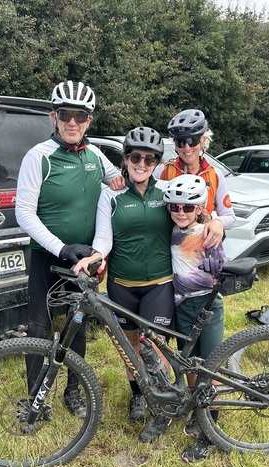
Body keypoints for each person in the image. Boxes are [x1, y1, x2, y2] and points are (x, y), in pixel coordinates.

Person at [15, 80, 123, 418]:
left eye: (80, 116)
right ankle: (35, 398)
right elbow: (24, 213)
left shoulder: (95, 155)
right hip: (48, 257)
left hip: (84, 260)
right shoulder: (38, 156)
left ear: (89, 120)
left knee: (77, 325)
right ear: (54, 117)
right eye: (65, 115)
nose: (72, 122)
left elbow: (122, 181)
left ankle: (73, 391)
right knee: (38, 328)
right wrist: (61, 249)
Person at [74, 126, 175, 443]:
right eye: (135, 157)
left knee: (154, 347)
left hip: (160, 283)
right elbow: (103, 237)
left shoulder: (168, 191)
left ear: (157, 163)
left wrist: (213, 222)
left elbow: (193, 215)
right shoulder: (111, 194)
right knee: (131, 349)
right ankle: (139, 395)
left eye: (149, 159)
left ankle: (163, 403)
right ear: (126, 159)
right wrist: (95, 256)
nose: (141, 164)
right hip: (122, 285)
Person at [162, 174, 226, 464]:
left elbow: (220, 264)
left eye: (188, 207)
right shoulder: (171, 231)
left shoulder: (207, 233)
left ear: (199, 208)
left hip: (207, 305)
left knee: (209, 366)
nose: (181, 212)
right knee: (189, 361)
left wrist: (216, 225)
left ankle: (210, 426)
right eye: (174, 207)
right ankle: (198, 409)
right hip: (182, 306)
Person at [153, 109, 235, 251]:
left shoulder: (215, 175)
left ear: (203, 140)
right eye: (181, 142)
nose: (187, 148)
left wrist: (217, 221)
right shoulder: (162, 171)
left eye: (192, 141)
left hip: (200, 249)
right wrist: (120, 180)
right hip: (166, 248)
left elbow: (230, 218)